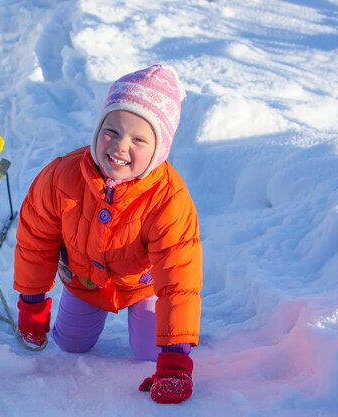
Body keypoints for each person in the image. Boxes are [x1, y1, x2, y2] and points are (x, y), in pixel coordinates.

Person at [13, 64, 203, 404]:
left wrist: (176, 358)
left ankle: (173, 336)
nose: (119, 146)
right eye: (111, 131)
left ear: (160, 149)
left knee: (148, 352)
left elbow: (179, 276)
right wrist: (32, 303)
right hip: (84, 283)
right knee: (70, 344)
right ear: (98, 126)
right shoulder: (60, 176)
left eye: (139, 139)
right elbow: (35, 243)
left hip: (143, 285)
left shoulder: (169, 198)